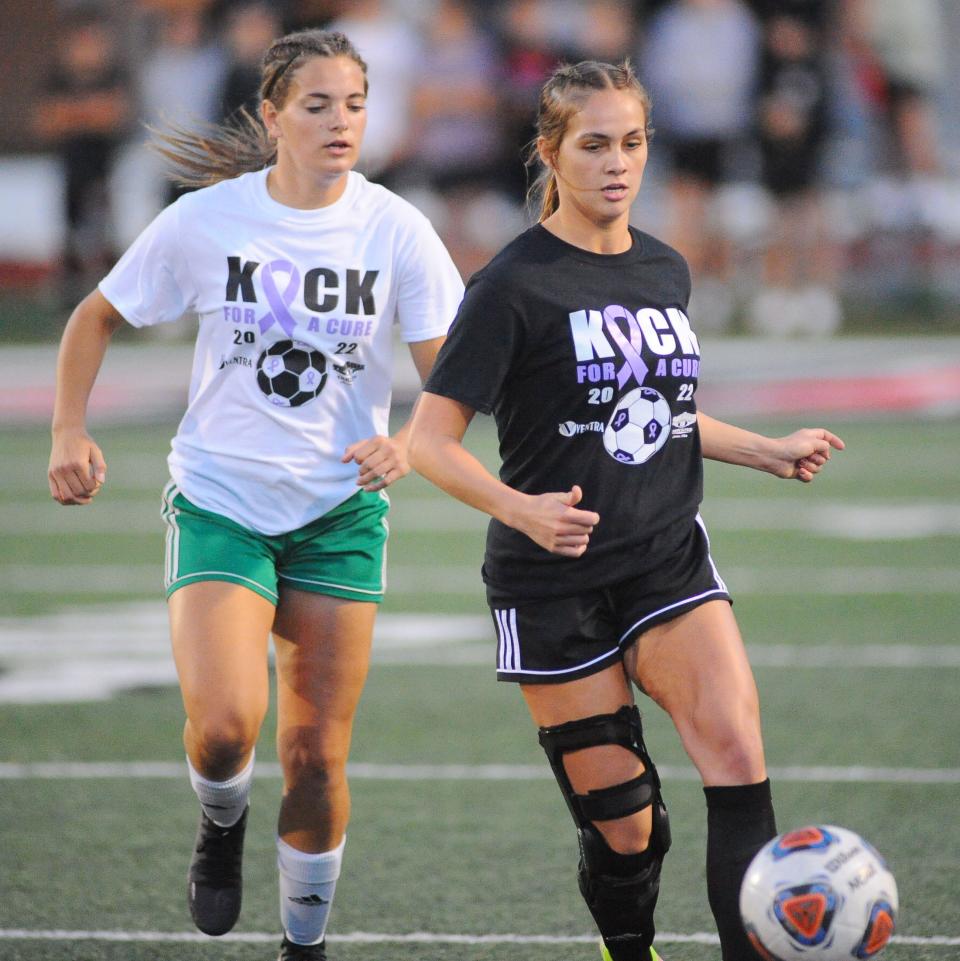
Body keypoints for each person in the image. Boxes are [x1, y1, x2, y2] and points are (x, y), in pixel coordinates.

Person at [407, 60, 844, 961]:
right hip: (550, 583)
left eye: (633, 143)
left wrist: (763, 449)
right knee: (627, 827)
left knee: (735, 751)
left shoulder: (664, 267)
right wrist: (519, 510)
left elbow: (662, 412)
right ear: (551, 153)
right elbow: (428, 443)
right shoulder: (510, 287)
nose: (617, 163)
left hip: (665, 556)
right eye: (595, 144)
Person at [47, 29, 463, 961]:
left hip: (340, 511)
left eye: (354, 104)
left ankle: (302, 945)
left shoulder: (397, 228)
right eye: (317, 105)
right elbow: (96, 314)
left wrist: (407, 441)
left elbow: (454, 376)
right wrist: (70, 428)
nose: (341, 122)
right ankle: (220, 818)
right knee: (229, 726)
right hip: (222, 498)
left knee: (317, 758)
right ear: (272, 117)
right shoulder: (209, 220)